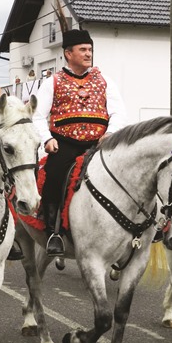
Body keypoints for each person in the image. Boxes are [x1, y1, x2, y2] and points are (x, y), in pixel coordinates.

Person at [33, 26, 127, 257]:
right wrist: (46, 139)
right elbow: (36, 115)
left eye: (90, 49)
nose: (88, 54)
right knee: (53, 175)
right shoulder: (52, 82)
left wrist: (111, 132)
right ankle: (53, 232)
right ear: (68, 53)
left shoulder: (105, 80)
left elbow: (118, 113)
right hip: (64, 143)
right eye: (82, 49)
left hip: (99, 144)